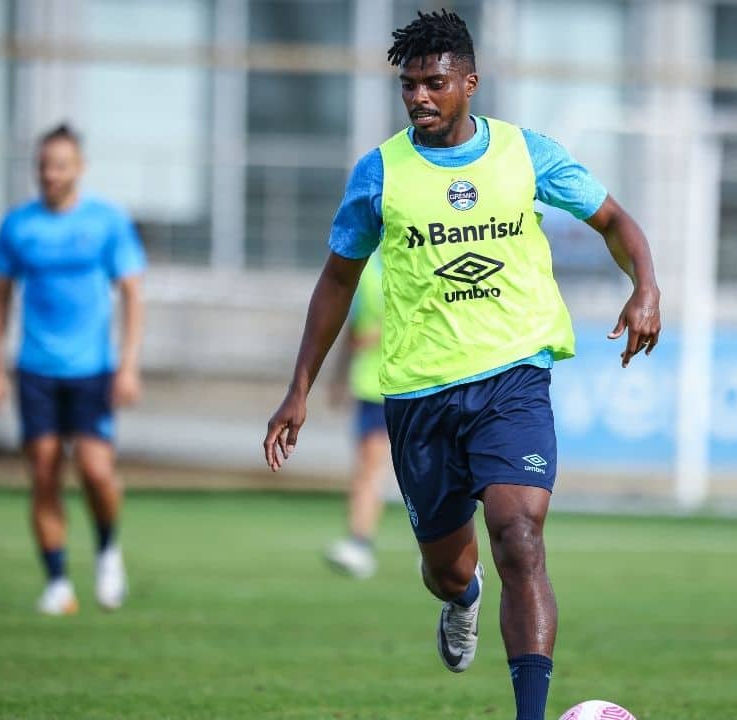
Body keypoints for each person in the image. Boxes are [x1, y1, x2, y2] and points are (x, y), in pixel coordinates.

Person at [262, 10, 660, 720]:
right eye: (409, 86)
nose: (420, 97)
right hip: (420, 396)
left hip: (513, 379)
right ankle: (462, 601)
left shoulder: (524, 153)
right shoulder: (379, 173)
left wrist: (646, 287)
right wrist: (299, 389)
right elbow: (336, 280)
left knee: (519, 536)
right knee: (450, 569)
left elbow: (615, 221)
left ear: (469, 83)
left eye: (435, 83)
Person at [0, 123, 146, 616]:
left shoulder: (107, 222)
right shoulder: (18, 226)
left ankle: (107, 550)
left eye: (59, 165)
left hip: (92, 370)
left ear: (79, 169)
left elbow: (133, 293)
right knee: (45, 472)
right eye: (43, 166)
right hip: (35, 369)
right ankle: (57, 582)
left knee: (96, 471)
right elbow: (0, 301)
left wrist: (128, 365)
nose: (50, 175)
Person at [324, 252, 390, 579]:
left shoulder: (421, 246)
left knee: (431, 468)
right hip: (371, 382)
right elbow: (351, 327)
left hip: (420, 379)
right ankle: (359, 543)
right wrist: (338, 375)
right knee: (367, 465)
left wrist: (379, 334)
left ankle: (445, 548)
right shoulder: (366, 264)